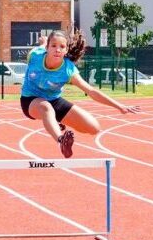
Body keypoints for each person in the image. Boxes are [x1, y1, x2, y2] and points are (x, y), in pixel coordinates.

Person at [20, 29, 141, 158]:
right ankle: (61, 141)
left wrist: (119, 106)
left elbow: (91, 91)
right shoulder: (35, 56)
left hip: (54, 100)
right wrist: (43, 43)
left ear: (66, 50)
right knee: (45, 107)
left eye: (62, 47)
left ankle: (55, 120)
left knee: (94, 128)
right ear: (47, 48)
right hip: (30, 100)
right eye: (53, 46)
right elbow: (41, 46)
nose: (57, 50)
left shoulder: (68, 70)